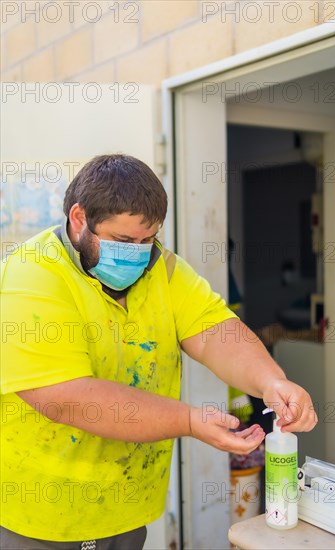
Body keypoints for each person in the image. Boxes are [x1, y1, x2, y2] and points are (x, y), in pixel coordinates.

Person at [0, 154, 317, 550]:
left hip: (129, 507)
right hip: (45, 516)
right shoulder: (32, 275)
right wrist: (188, 420)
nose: (137, 253)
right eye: (123, 241)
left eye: (148, 239)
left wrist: (273, 382)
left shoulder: (162, 267)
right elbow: (69, 400)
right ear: (79, 218)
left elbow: (216, 331)